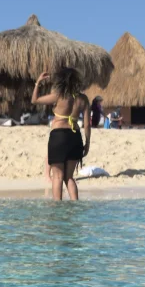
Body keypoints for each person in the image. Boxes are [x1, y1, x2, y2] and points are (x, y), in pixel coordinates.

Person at [31, 66, 91, 202]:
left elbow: (35, 100)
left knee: (57, 177)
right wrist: (87, 143)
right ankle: (75, 206)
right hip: (75, 137)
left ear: (61, 81)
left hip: (58, 136)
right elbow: (87, 124)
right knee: (69, 177)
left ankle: (57, 209)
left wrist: (37, 83)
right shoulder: (83, 99)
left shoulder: (59, 95)